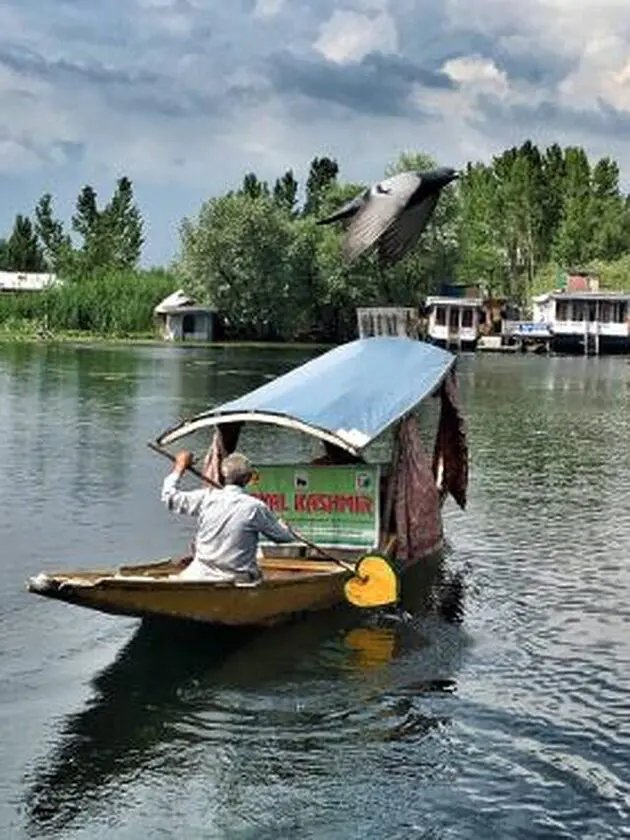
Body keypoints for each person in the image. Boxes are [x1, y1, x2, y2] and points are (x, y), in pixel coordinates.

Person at [161, 450, 295, 583]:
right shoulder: (254, 507)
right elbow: (284, 537)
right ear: (248, 479)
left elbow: (169, 498)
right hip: (235, 577)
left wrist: (179, 467)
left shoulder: (206, 498)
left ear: (224, 475)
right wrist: (285, 526)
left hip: (199, 574)